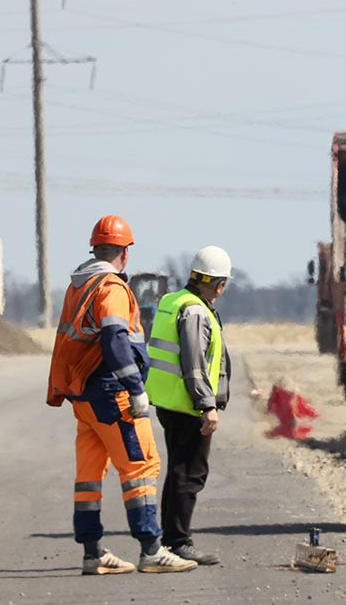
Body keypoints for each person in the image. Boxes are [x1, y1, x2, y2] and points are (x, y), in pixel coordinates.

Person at [46, 215, 198, 575]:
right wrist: (135, 387)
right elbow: (115, 339)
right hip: (111, 394)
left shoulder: (78, 285)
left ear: (95, 248)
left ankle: (93, 553)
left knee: (89, 475)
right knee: (141, 466)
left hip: (82, 396)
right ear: (125, 252)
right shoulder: (111, 288)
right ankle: (151, 550)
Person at [145, 246, 233, 566]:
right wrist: (206, 406)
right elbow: (193, 364)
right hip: (188, 406)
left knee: (179, 470)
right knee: (191, 473)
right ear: (219, 284)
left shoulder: (173, 301)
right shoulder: (196, 311)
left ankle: (168, 538)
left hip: (170, 402)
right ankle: (178, 541)